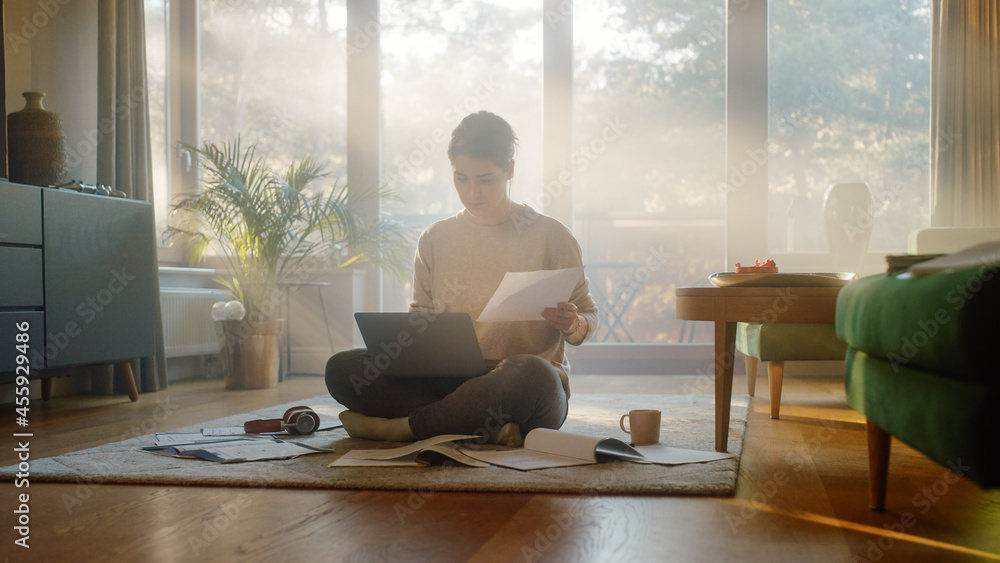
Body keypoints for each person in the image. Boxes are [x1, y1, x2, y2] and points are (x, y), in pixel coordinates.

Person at [325, 111, 598, 446]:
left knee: (533, 374)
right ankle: (480, 425)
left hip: (523, 387)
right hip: (450, 381)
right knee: (343, 368)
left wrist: (573, 324)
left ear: (510, 170)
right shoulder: (435, 238)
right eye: (461, 178)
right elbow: (421, 314)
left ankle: (403, 428)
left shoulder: (552, 236)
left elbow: (587, 316)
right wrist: (412, 342)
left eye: (486, 180)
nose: (473, 193)